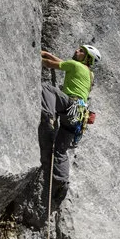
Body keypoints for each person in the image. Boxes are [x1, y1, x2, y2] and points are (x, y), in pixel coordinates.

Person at [39, 44, 101, 200]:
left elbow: (49, 64)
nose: (76, 51)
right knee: (60, 151)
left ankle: (49, 116)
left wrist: (37, 54)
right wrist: (47, 53)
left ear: (87, 58)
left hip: (68, 105)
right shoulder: (89, 74)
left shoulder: (74, 65)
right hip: (79, 115)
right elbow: (64, 63)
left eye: (81, 51)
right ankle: (62, 183)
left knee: (48, 88)